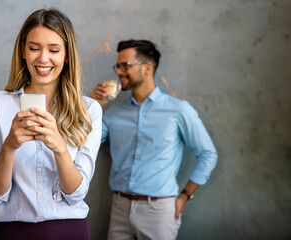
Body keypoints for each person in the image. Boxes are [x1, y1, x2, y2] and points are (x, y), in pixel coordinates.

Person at [0, 8, 102, 240]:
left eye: (54, 50)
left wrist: (59, 147)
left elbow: (76, 194)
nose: (43, 59)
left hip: (70, 231)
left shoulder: (88, 110)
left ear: (67, 55)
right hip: (13, 231)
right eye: (34, 48)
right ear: (23, 50)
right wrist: (9, 146)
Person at [90, 39, 217, 240]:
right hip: (119, 207)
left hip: (158, 211)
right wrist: (93, 107)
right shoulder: (114, 112)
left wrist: (185, 195)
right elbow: (84, 144)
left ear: (147, 68)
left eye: (125, 66)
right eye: (118, 66)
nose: (119, 72)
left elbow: (208, 154)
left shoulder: (178, 110)